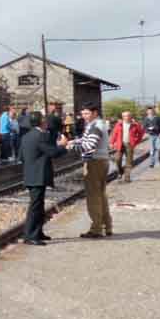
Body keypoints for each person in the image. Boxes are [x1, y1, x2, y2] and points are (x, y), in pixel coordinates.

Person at [66, 102, 112, 238]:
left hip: (94, 162)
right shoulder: (96, 124)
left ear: (95, 113)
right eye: (83, 113)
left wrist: (69, 147)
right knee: (100, 195)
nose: (84, 116)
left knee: (93, 196)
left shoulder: (95, 126)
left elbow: (89, 145)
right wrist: (74, 141)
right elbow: (86, 139)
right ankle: (107, 225)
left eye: (87, 113)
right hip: (101, 161)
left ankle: (96, 229)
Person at [20, 112, 67, 245]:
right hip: (38, 175)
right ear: (42, 122)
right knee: (35, 207)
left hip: (30, 173)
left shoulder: (26, 136)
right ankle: (30, 236)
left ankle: (38, 232)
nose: (46, 122)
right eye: (44, 120)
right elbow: (52, 152)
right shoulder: (40, 136)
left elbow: (21, 156)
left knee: (39, 206)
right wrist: (62, 145)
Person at [109, 110, 144, 183]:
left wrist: (136, 141)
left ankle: (127, 177)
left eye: (128, 116)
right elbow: (114, 133)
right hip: (120, 144)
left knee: (129, 161)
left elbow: (141, 133)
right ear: (122, 117)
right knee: (117, 159)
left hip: (129, 144)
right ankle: (120, 171)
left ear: (131, 116)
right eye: (124, 116)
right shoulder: (119, 124)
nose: (126, 117)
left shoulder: (135, 125)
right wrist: (111, 143)